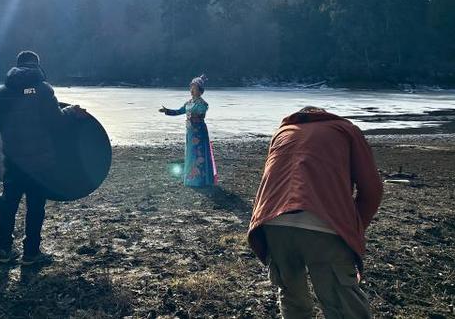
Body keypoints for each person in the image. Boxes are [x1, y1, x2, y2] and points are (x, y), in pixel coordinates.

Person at [247, 106, 384, 319]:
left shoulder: (283, 131)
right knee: (342, 304)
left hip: (272, 221)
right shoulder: (345, 130)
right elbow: (372, 190)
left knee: (293, 299)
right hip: (323, 224)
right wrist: (351, 228)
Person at [0, 50, 85, 266]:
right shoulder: (42, 90)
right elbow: (56, 123)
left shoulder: (0, 93)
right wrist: (70, 112)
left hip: (13, 160)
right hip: (40, 163)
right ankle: (30, 253)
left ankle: (3, 249)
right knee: (35, 207)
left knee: (8, 204)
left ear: (17, 66)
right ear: (37, 66)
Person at [159, 75, 217, 187]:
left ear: (200, 91)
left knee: (199, 154)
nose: (191, 90)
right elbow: (179, 111)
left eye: (194, 88)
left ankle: (201, 180)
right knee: (190, 154)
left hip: (199, 132)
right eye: (191, 88)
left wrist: (192, 115)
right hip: (190, 132)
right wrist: (167, 111)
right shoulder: (188, 103)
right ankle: (191, 179)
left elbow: (201, 114)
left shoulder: (203, 104)